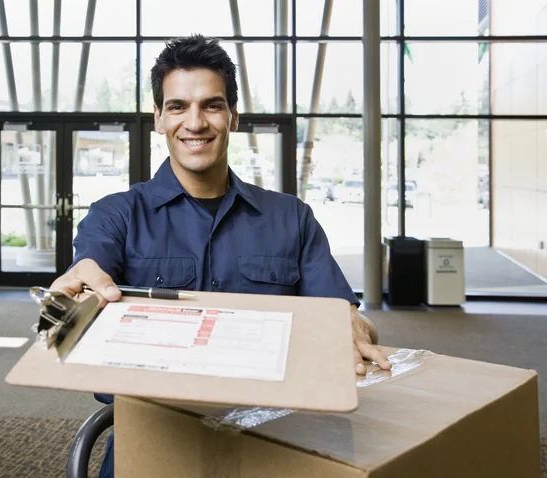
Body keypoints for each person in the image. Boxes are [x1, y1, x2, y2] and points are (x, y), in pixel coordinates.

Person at [51, 34, 391, 478]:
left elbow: (342, 315)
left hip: (277, 440)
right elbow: (90, 268)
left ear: (233, 116)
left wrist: (351, 325)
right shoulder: (116, 215)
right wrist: (80, 283)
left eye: (212, 105)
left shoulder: (293, 218)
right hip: (152, 440)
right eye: (177, 106)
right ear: (158, 118)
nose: (195, 122)